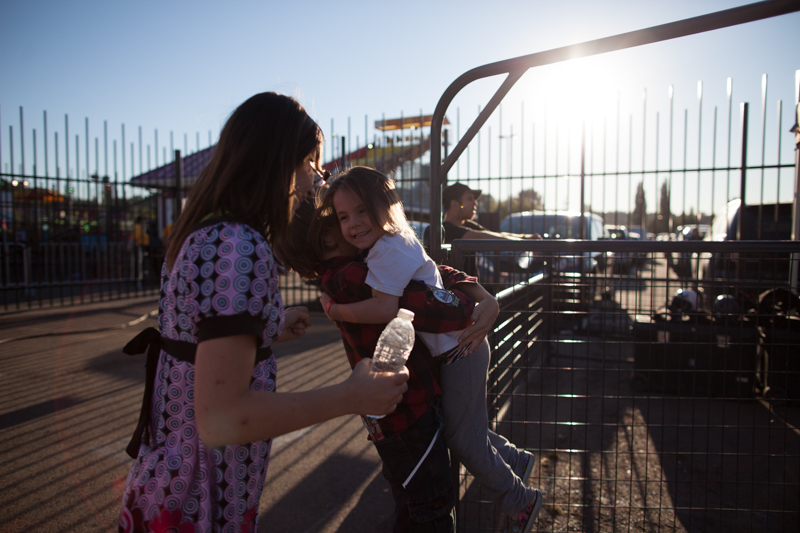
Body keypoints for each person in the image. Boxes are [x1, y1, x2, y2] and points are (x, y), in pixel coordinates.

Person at [118, 93, 409, 533]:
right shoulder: (238, 245)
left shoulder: (203, 230)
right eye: (311, 164)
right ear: (280, 162)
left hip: (168, 481)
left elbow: (192, 336)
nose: (315, 182)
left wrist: (268, 326)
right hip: (202, 499)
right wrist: (351, 396)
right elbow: (222, 417)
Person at [314, 167, 543, 533]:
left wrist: (334, 310)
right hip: (455, 351)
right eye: (343, 217)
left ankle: (520, 500)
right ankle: (515, 460)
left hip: (462, 350)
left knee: (463, 439)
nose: (353, 223)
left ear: (385, 206)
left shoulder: (386, 251)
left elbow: (384, 308)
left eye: (361, 210)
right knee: (461, 427)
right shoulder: (387, 243)